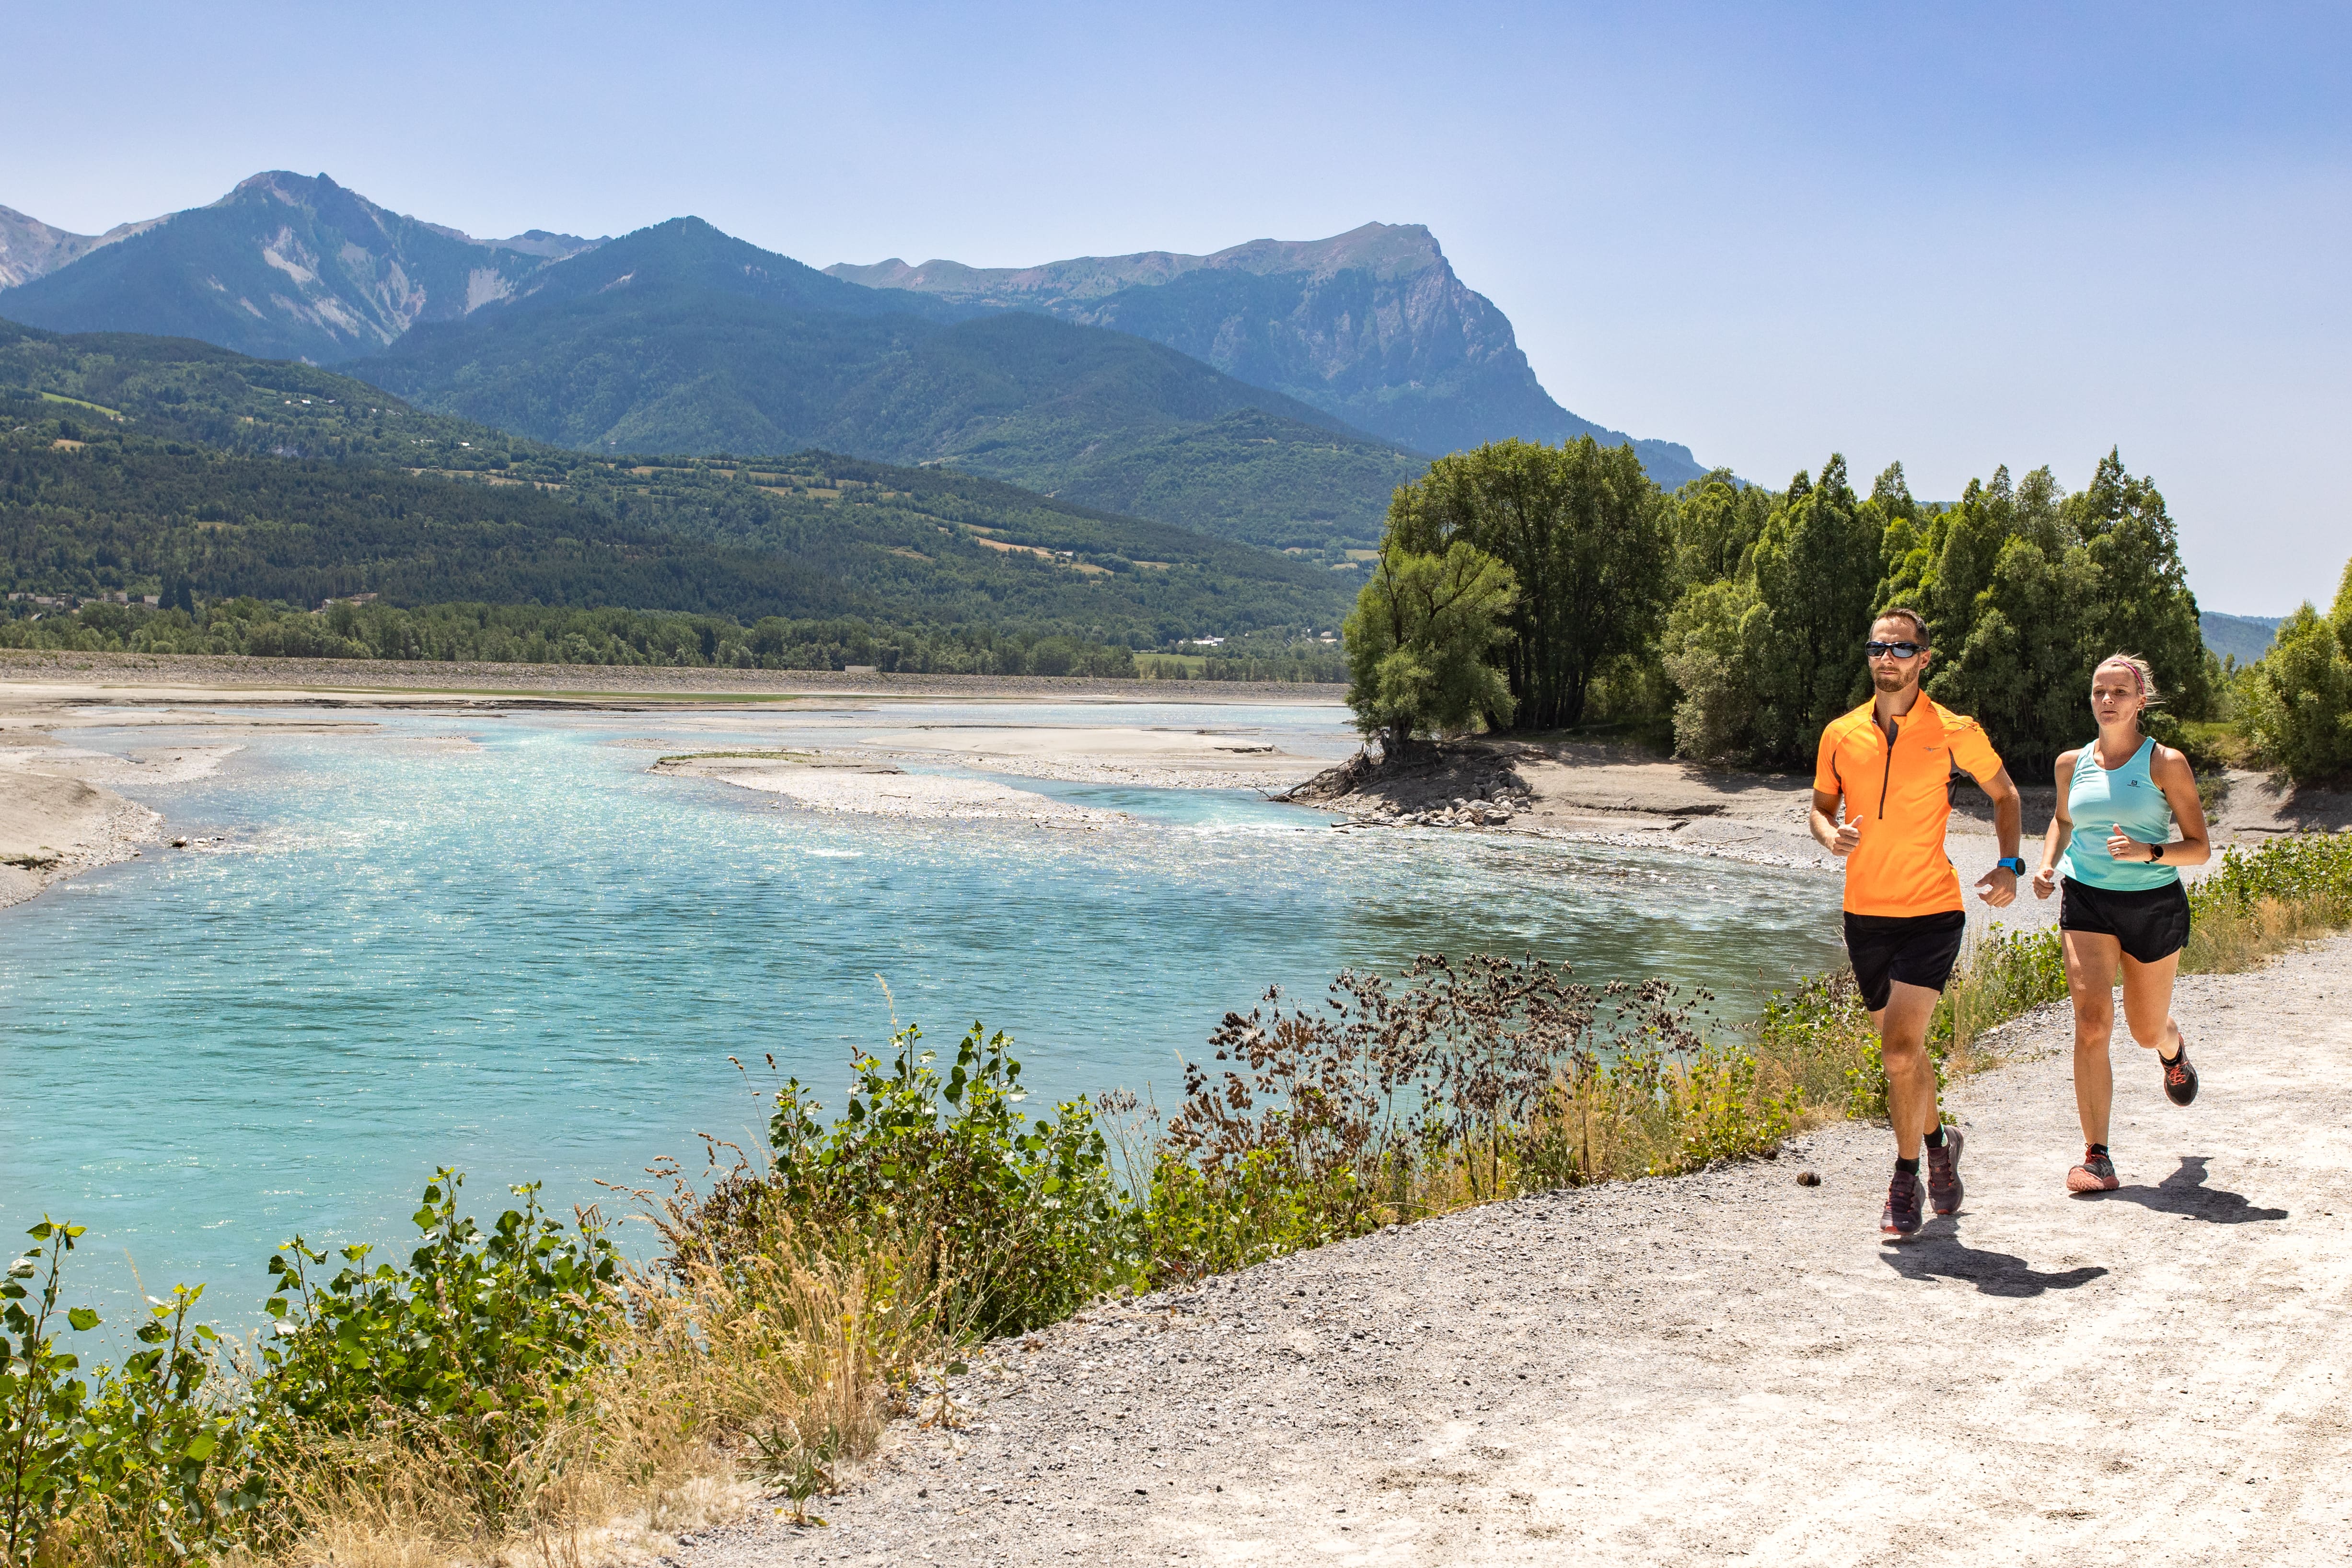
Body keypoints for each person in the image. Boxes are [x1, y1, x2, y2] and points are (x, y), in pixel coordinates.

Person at [1811, 609, 2024, 1238]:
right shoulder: (1840, 732)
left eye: (1901, 647)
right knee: (1904, 1058)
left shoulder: (1952, 729)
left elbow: (2006, 793)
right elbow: (1821, 806)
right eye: (1877, 645)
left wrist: (2009, 863)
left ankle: (1904, 1178)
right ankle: (1937, 1143)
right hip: (1864, 916)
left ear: (1922, 658)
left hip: (1931, 911)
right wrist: (1829, 834)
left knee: (1898, 1051)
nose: (1887, 656)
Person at [2030, 654, 2209, 1193]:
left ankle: (2171, 1048)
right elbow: (2061, 822)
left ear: (2139, 701)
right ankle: (2096, 1157)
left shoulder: (2165, 764)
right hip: (2086, 900)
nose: (2106, 701)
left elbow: (2198, 849)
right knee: (2090, 1022)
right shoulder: (2070, 764)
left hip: (2152, 906)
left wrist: (2145, 852)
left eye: (2117, 692)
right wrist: (2044, 863)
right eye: (2097, 691)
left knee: (2143, 1030)